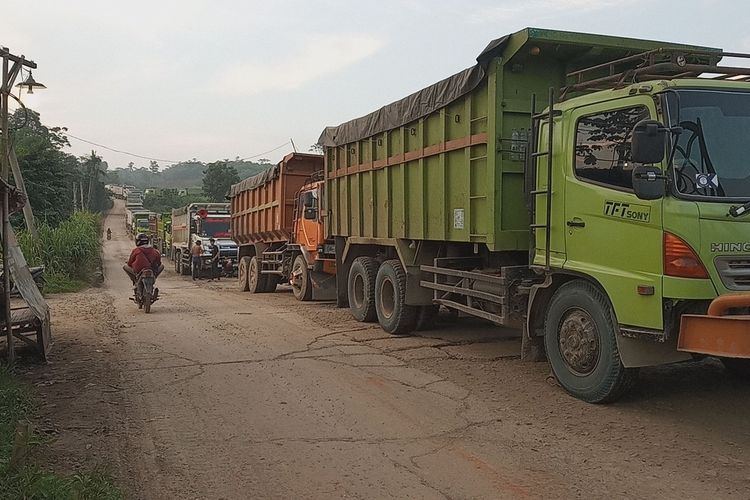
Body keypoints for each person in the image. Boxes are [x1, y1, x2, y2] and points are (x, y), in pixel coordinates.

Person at [123, 233, 163, 298]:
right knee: (162, 266)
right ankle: (154, 277)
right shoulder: (154, 251)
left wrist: (132, 264)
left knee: (125, 267)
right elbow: (159, 262)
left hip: (138, 271)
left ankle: (135, 280)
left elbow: (129, 263)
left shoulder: (136, 250)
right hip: (152, 270)